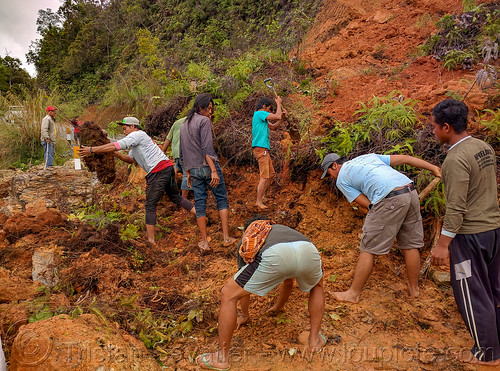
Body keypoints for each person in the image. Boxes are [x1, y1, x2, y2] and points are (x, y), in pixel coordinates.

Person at [196, 215, 325, 370]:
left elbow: (243, 288)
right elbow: (288, 280)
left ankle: (221, 357)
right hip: (308, 248)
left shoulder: (250, 237)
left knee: (228, 294)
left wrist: (244, 314)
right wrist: (278, 307)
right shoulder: (282, 230)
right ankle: (314, 340)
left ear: (247, 229)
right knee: (317, 287)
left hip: (276, 253)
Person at [430, 99, 500, 366]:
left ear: (447, 127)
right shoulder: (483, 147)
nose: (433, 131)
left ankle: (487, 353)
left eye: (435, 127)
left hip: (470, 237)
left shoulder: (455, 159)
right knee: (494, 290)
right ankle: (496, 346)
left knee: (472, 293)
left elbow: (456, 207)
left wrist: (443, 244)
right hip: (493, 231)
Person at [321, 152, 441, 303]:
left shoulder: (342, 179)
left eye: (330, 173)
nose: (332, 177)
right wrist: (433, 168)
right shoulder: (368, 157)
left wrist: (379, 212)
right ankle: (414, 290)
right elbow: (405, 158)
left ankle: (353, 294)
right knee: (410, 245)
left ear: (335, 165)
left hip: (390, 198)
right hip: (410, 192)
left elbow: (365, 203)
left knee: (368, 248)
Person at [79, 117, 195, 245]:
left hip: (158, 171)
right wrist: (115, 154)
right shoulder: (139, 139)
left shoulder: (137, 135)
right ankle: (200, 215)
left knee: (150, 205)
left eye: (125, 129)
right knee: (176, 197)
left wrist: (92, 149)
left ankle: (151, 241)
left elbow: (116, 145)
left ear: (133, 126)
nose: (124, 132)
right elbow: (130, 159)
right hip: (167, 167)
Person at [179, 93, 236, 252]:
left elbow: (182, 152)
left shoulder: (184, 124)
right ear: (200, 108)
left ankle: (205, 242)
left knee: (200, 204)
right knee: (221, 199)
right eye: (209, 108)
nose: (210, 112)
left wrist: (188, 173)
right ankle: (226, 238)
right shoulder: (203, 121)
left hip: (194, 170)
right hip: (207, 166)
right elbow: (207, 148)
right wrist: (213, 171)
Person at [251, 96, 283, 209]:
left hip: (263, 149)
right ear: (264, 106)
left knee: (271, 175)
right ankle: (258, 202)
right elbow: (277, 116)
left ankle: (263, 197)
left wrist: (281, 116)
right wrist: (279, 104)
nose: (269, 112)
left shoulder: (262, 119)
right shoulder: (259, 113)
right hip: (261, 149)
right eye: (269, 109)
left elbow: (274, 127)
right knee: (264, 177)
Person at [161, 116, 192, 199]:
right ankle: (183, 198)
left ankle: (174, 189)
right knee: (187, 174)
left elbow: (168, 138)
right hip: (185, 152)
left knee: (178, 166)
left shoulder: (177, 122)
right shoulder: (193, 122)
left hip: (175, 152)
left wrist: (163, 151)